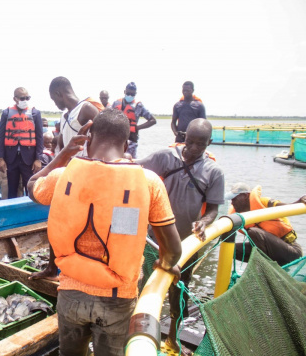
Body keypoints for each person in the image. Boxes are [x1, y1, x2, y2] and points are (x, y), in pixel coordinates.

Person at [27, 109, 182, 356]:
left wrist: (63, 155)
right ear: (126, 142)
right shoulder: (148, 182)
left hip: (70, 294)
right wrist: (165, 264)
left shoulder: (62, 175)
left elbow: (31, 186)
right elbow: (173, 251)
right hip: (117, 299)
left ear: (88, 137)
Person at [136, 118, 224, 353]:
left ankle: (172, 338)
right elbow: (134, 169)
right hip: (155, 239)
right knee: (148, 286)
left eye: (200, 145)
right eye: (190, 142)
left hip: (187, 244)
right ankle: (141, 338)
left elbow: (214, 209)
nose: (194, 149)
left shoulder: (213, 171)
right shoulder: (165, 157)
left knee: (179, 292)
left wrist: (204, 222)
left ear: (210, 143)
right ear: (183, 138)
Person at [227, 183, 304, 266]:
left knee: (253, 232)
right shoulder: (239, 215)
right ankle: (263, 269)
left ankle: (262, 270)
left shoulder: (264, 202)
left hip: (290, 250)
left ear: (246, 196)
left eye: (234, 199)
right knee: (230, 249)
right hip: (270, 253)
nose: (232, 203)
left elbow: (289, 207)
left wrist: (300, 200)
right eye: (231, 200)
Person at [0, 87, 44, 199]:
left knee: (31, 188)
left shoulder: (35, 113)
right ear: (15, 99)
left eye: (27, 98)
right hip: (11, 158)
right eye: (22, 98)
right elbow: (1, 137)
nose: (25, 100)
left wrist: (38, 159)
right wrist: (1, 158)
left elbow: (39, 138)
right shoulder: (6, 113)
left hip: (29, 158)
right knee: (12, 190)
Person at [48, 76, 100, 157]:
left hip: (84, 164)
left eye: (53, 99)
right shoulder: (64, 116)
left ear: (58, 94)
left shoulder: (86, 109)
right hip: (70, 165)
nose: (55, 103)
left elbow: (103, 138)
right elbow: (61, 145)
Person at [112, 82, 156, 158]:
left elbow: (153, 120)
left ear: (135, 94)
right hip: (115, 138)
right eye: (128, 93)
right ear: (124, 92)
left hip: (131, 139)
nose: (130, 96)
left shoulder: (138, 106)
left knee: (130, 161)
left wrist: (137, 127)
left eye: (132, 94)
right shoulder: (116, 103)